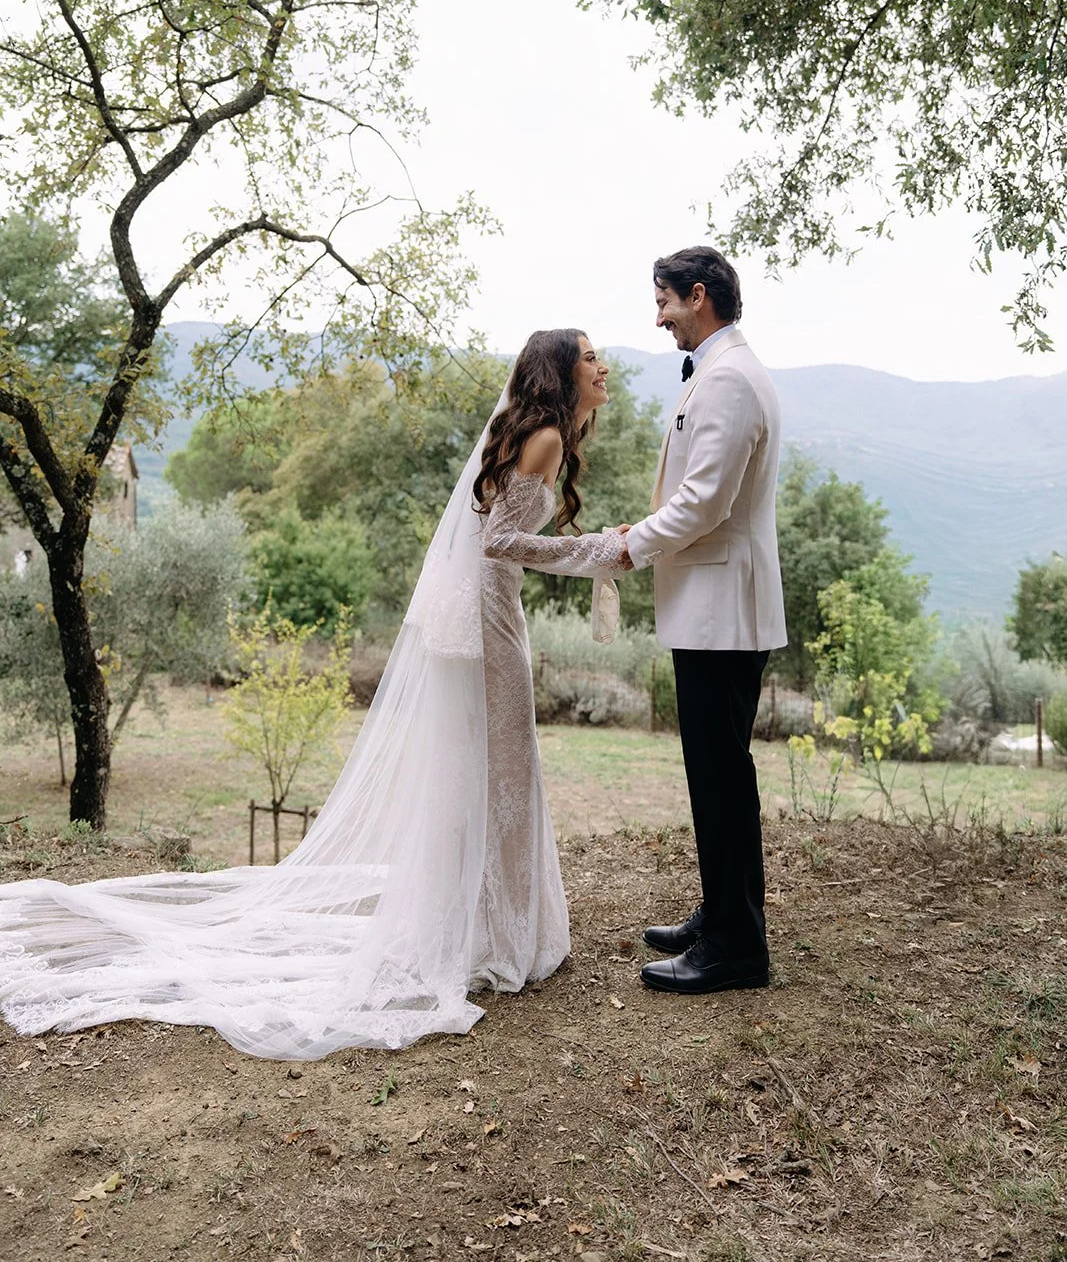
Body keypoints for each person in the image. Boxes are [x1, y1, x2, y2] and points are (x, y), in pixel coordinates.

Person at [0, 331, 629, 1059]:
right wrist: (600, 552)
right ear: (560, 372)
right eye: (588, 356)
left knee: (480, 777)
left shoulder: (525, 429)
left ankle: (479, 923)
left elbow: (493, 535)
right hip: (490, 627)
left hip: (479, 620)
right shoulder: (545, 435)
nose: (601, 365)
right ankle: (496, 935)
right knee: (505, 775)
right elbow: (500, 545)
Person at [619, 247, 787, 995]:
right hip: (715, 609)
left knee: (719, 778)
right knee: (717, 775)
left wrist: (631, 545)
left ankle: (734, 947)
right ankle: (723, 914)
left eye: (663, 302)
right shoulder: (727, 372)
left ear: (698, 295)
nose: (658, 319)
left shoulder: (726, 379)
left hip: (722, 612)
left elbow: (703, 503)